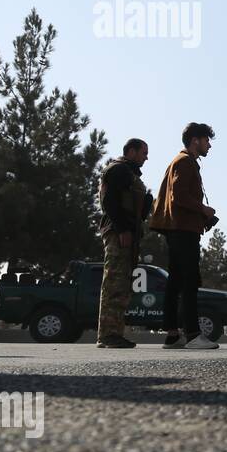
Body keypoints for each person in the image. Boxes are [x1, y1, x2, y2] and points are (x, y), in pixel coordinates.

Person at [149, 122, 218, 350]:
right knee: (189, 282)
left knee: (176, 281)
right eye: (207, 140)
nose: (209, 145)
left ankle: (172, 334)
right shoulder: (185, 161)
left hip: (179, 229)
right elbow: (178, 196)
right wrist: (204, 210)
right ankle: (193, 334)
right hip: (184, 231)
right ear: (195, 140)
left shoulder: (181, 161)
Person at [96, 138, 152, 348]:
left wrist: (147, 202)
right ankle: (109, 335)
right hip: (119, 233)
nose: (146, 157)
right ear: (132, 151)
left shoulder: (129, 174)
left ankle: (113, 333)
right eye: (144, 152)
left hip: (128, 233)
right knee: (115, 283)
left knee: (122, 284)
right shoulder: (118, 170)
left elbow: (136, 210)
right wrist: (122, 230)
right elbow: (109, 203)